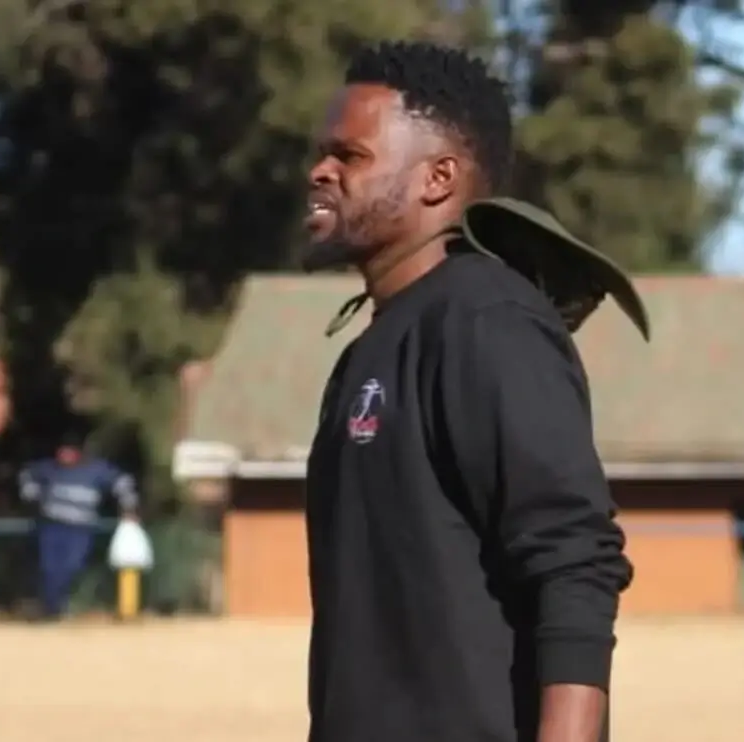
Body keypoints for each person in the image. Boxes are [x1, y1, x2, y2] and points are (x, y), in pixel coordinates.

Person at [299, 41, 635, 742]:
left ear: (437, 178)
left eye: (349, 155)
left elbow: (574, 561)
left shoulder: (488, 321)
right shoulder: (369, 347)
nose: (318, 172)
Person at [18, 433, 138, 620]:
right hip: (52, 527)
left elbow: (122, 483)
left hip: (80, 529)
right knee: (49, 568)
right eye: (61, 452)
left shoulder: (96, 471)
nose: (63, 456)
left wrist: (128, 507)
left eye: (68, 452)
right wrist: (32, 494)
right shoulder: (49, 468)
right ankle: (51, 608)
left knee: (72, 566)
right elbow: (27, 475)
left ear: (78, 454)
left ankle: (55, 605)